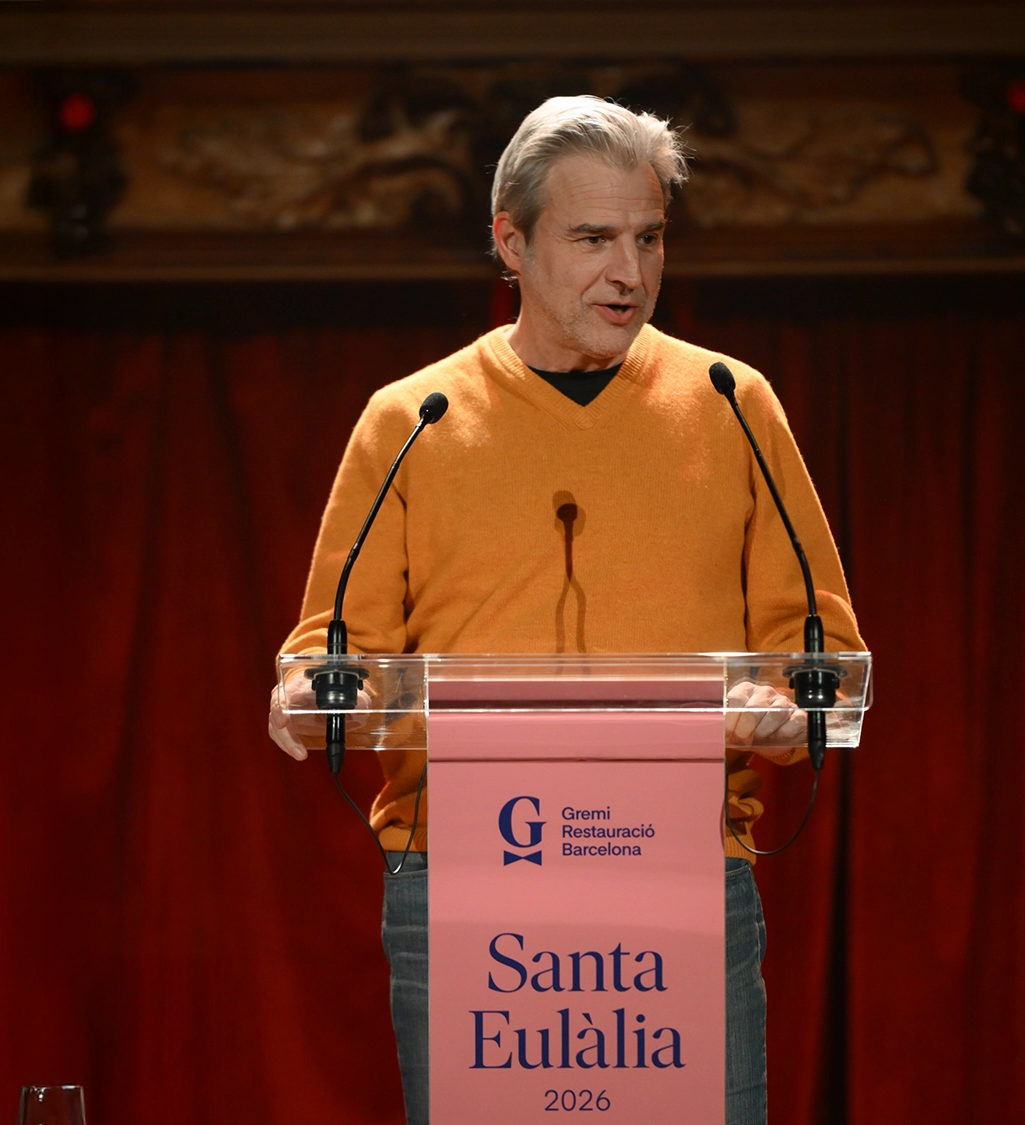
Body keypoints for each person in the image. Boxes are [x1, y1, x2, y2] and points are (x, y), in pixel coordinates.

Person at [267, 95, 865, 1125]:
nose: (627, 274)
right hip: (462, 883)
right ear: (509, 242)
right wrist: (307, 695)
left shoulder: (731, 404)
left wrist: (781, 706)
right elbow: (335, 654)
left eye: (647, 237)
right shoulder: (413, 420)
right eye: (592, 239)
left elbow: (821, 652)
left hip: (681, 879)